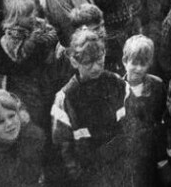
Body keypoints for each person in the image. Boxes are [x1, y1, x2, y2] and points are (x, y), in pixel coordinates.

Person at [52, 26, 130, 186]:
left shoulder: (118, 85)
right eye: (88, 63)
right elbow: (63, 145)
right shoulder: (65, 98)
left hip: (120, 169)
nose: (95, 67)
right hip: (88, 175)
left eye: (99, 60)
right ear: (74, 61)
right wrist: (78, 175)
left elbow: (131, 126)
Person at [0, 0, 59, 130]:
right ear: (14, 18)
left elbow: (52, 32)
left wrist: (45, 40)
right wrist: (32, 41)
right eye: (26, 15)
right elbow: (18, 56)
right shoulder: (11, 35)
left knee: (48, 97)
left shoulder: (36, 23)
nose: (32, 17)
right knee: (34, 106)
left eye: (32, 12)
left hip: (43, 72)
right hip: (25, 79)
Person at [123, 34, 166, 187]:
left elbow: (161, 119)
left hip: (151, 154)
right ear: (124, 61)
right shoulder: (117, 90)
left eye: (144, 63)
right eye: (134, 63)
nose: (139, 68)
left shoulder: (157, 86)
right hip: (127, 156)